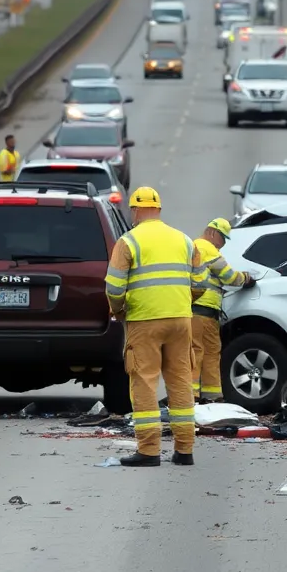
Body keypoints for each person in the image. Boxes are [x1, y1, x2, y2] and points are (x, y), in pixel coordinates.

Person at [104, 187, 208, 467]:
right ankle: (184, 450)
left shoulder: (129, 241)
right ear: (159, 209)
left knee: (144, 382)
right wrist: (184, 300)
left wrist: (118, 311)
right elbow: (201, 282)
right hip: (180, 320)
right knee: (181, 382)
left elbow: (113, 287)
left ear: (135, 210)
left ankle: (149, 450)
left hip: (143, 321)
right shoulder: (185, 240)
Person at [191, 218, 256, 403]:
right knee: (199, 352)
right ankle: (193, 397)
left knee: (208, 352)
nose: (224, 244)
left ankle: (210, 395)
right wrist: (245, 279)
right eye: (223, 238)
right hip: (200, 309)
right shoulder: (205, 247)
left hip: (205, 311)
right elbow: (228, 276)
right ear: (212, 232)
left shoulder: (196, 247)